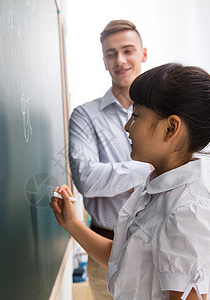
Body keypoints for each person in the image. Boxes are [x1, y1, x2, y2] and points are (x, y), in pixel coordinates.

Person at [51, 63, 210, 299]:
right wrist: (73, 224)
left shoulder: (189, 214)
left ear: (171, 128)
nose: (127, 126)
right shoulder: (152, 191)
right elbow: (125, 262)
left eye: (135, 115)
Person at [68, 20, 151, 299]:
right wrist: (148, 169)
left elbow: (183, 168)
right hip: (104, 244)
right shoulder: (85, 116)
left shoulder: (165, 111)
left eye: (128, 50)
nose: (120, 60)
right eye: (111, 54)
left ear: (143, 54)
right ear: (104, 61)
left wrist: (116, 177)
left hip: (158, 244)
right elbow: (88, 181)